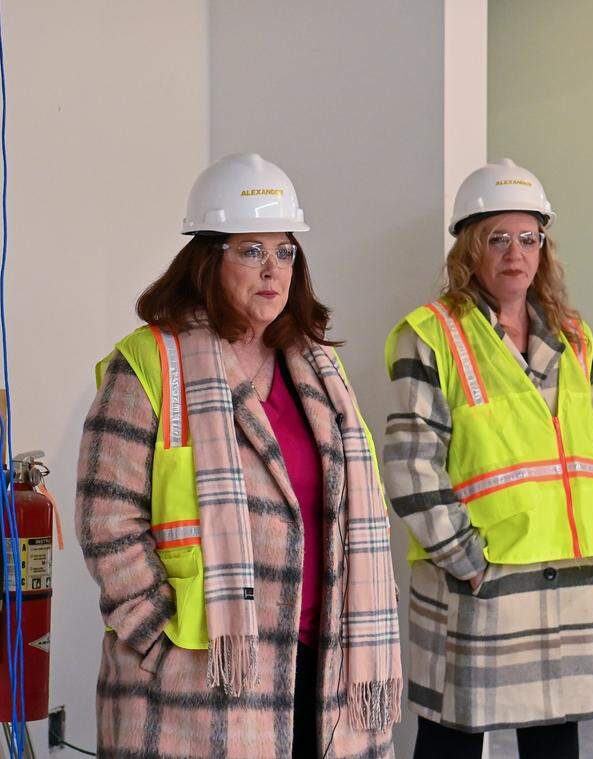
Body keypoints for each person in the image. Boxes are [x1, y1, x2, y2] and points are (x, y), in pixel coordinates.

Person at [76, 153, 401, 758]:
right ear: (209, 258)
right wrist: (154, 634)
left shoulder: (320, 369)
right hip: (201, 670)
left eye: (285, 252)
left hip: (322, 663)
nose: (273, 269)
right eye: (251, 251)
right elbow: (106, 519)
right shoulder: (151, 361)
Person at [381, 159, 593, 759]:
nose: (515, 253)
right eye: (498, 239)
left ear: (544, 248)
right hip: (481, 584)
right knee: (452, 741)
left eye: (528, 238)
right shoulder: (432, 333)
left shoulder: (573, 336)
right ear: (471, 248)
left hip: (571, 573)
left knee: (554, 741)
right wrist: (465, 561)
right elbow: (411, 463)